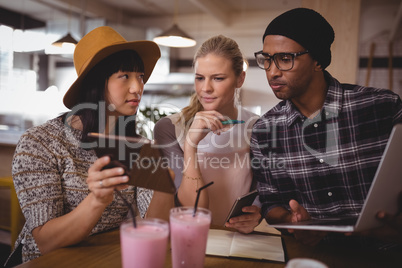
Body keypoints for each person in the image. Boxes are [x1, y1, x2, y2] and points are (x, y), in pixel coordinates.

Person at [5, 26, 173, 266]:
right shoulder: (40, 142)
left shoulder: (135, 145)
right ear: (95, 82)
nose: (138, 88)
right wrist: (97, 200)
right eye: (125, 75)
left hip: (102, 259)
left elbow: (156, 226)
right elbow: (46, 242)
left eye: (141, 76)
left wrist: (163, 185)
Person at [250, 7, 402, 247]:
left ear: (318, 60)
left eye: (285, 59)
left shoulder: (382, 107)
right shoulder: (264, 131)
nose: (272, 71)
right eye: (267, 60)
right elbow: (271, 204)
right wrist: (293, 220)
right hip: (312, 254)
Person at [154, 35, 261, 233]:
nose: (206, 89)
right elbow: (192, 210)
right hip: (188, 236)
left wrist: (257, 212)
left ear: (240, 79)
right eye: (199, 78)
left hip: (237, 242)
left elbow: (260, 195)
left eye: (218, 78)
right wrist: (190, 145)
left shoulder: (258, 127)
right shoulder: (170, 128)